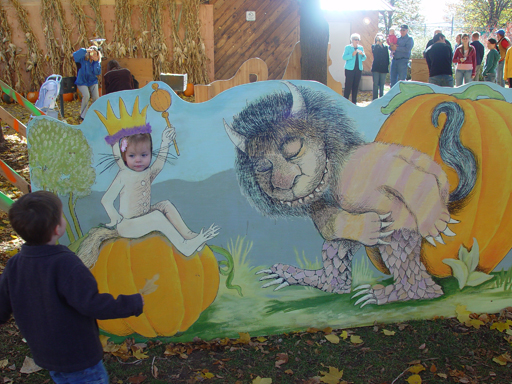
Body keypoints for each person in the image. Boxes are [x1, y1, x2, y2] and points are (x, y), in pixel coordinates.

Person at [0, 191, 144, 384]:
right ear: (57, 229)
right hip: (78, 355)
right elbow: (92, 304)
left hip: (46, 354)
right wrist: (132, 303)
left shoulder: (14, 264)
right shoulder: (67, 265)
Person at [99, 110, 219, 256]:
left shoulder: (145, 173)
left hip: (142, 218)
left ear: (150, 153)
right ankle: (184, 247)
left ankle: (188, 235)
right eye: (132, 155)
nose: (138, 160)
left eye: (144, 155)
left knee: (165, 205)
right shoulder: (124, 175)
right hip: (128, 225)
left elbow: (159, 165)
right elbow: (106, 200)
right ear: (124, 156)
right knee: (156, 216)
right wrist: (114, 217)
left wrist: (165, 142)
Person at [73, 46, 102, 121]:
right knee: (86, 96)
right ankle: (83, 115)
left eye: (95, 54)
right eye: (92, 53)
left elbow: (97, 72)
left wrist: (96, 62)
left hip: (92, 81)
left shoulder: (96, 62)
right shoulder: (82, 59)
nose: (93, 55)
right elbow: (75, 55)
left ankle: (96, 114)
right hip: (82, 81)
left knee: (96, 97)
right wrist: (85, 50)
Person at [342, 33, 366, 104]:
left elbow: (364, 58)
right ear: (352, 40)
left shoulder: (360, 48)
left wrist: (362, 54)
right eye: (355, 39)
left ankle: (354, 102)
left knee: (356, 85)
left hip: (358, 69)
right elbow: (344, 57)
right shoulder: (348, 47)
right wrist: (352, 55)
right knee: (348, 85)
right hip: (349, 69)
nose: (357, 41)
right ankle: (345, 101)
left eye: (358, 40)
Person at [371, 33, 389, 99]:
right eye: (378, 39)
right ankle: (375, 99)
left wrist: (387, 65)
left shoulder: (385, 47)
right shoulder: (374, 46)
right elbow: (374, 54)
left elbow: (387, 58)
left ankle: (381, 98)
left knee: (382, 84)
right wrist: (377, 44)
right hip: (376, 68)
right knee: (375, 84)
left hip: (383, 68)